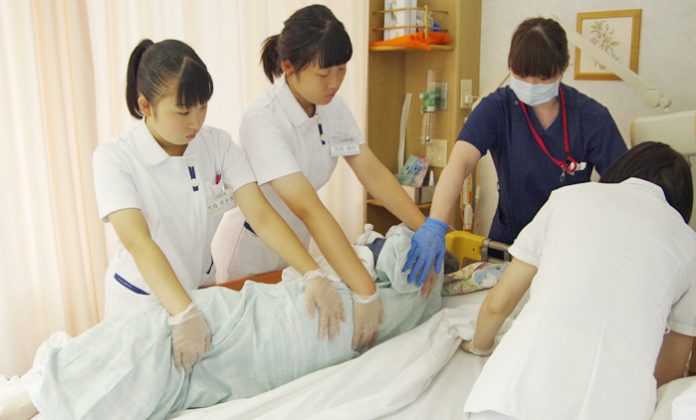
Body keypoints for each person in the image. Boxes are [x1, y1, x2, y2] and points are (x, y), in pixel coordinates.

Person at [0, 225, 443, 420]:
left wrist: (367, 280)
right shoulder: (379, 288)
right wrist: (340, 277)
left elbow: (407, 259)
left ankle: (47, 393)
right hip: (258, 313)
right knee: (159, 339)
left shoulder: (406, 291)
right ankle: (46, 391)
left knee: (166, 352)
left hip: (263, 333)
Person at [94, 39, 349, 373]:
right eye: (183, 112)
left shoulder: (216, 144)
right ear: (146, 105)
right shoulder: (115, 157)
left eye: (202, 107)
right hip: (142, 300)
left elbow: (261, 214)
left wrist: (312, 273)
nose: (195, 122)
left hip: (199, 293)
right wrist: (183, 313)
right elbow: (138, 242)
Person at [212, 5, 433, 347]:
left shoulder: (332, 107)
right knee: (251, 341)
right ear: (289, 67)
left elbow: (370, 170)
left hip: (297, 241)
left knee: (293, 340)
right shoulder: (262, 120)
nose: (335, 82)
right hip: (252, 248)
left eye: (341, 70)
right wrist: (365, 290)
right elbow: (307, 207)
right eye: (323, 73)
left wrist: (426, 229)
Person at [459, 142, 696, 420]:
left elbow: (497, 305)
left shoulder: (568, 198)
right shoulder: (690, 246)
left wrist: (479, 346)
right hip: (612, 409)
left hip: (510, 396)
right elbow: (669, 370)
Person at [403, 17, 628, 286]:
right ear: (510, 65)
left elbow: (626, 189)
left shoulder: (591, 118)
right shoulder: (497, 108)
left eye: (542, 78)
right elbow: (460, 163)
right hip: (510, 244)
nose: (531, 84)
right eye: (522, 75)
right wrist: (435, 224)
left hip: (569, 248)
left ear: (563, 67)